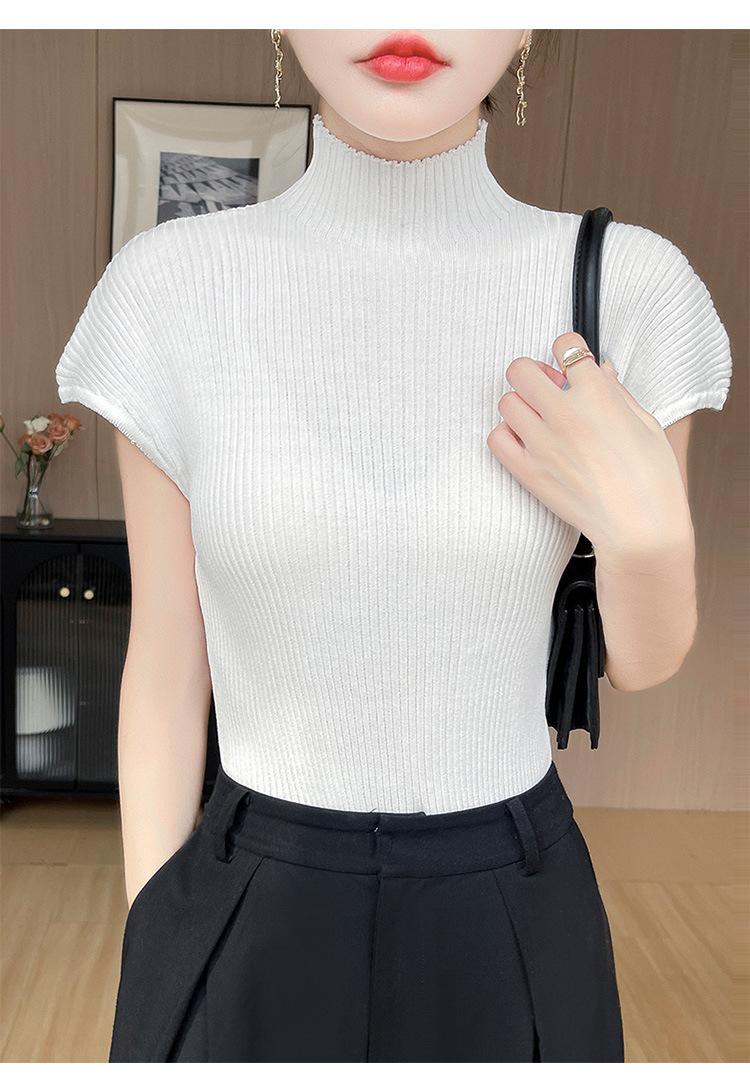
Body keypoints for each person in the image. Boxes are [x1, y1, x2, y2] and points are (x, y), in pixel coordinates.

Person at [54, 29, 732, 1063]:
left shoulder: (629, 287)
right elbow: (165, 661)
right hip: (245, 889)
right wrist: (159, 929)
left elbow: (640, 661)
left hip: (513, 899)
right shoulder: (168, 288)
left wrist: (643, 534)